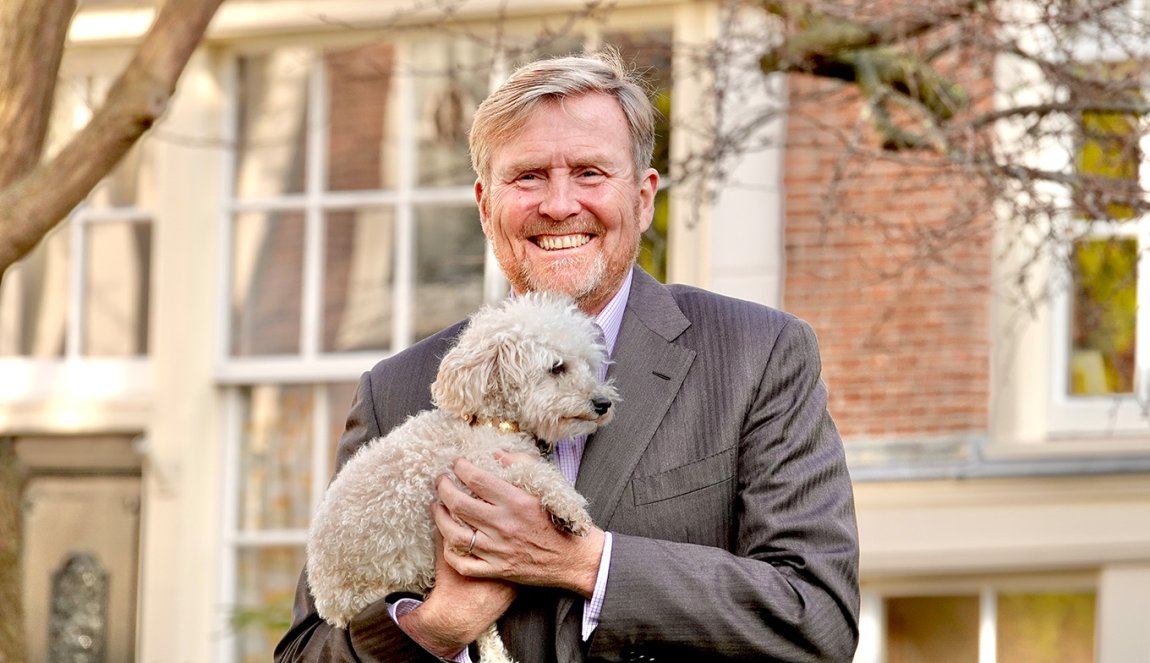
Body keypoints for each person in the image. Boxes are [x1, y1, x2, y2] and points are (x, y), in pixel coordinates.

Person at [275, 49, 859, 663]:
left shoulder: (757, 355)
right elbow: (304, 652)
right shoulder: (397, 389)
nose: (558, 205)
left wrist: (588, 564)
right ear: (484, 204)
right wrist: (434, 628)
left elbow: (815, 618)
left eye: (589, 172)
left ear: (643, 197)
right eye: (527, 177)